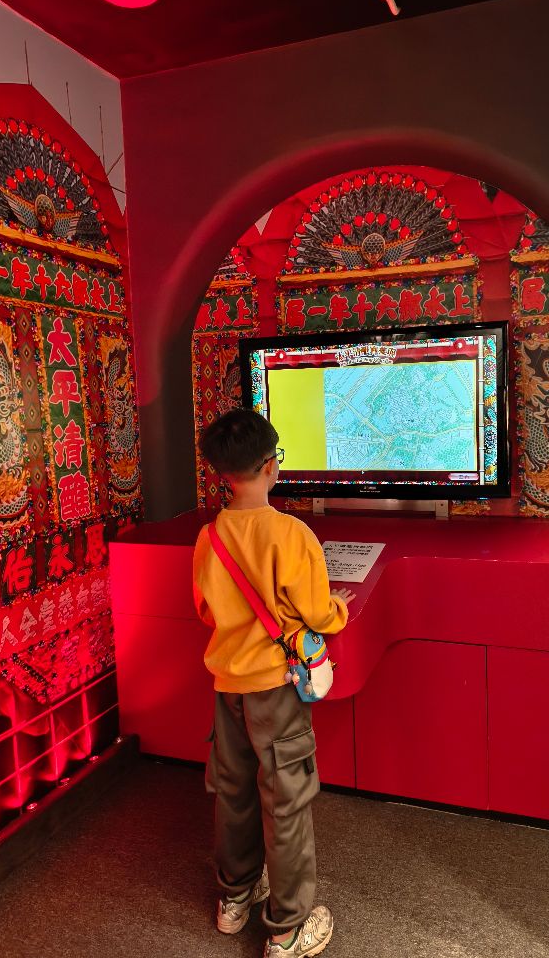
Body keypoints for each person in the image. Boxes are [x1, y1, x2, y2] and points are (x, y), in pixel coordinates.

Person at [193, 407, 354, 958]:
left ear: (224, 473)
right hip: (276, 691)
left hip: (227, 687)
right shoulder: (292, 533)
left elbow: (205, 611)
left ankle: (235, 898)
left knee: (234, 793)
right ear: (270, 465)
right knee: (285, 801)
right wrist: (338, 609)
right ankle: (288, 929)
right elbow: (317, 613)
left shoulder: (209, 537)